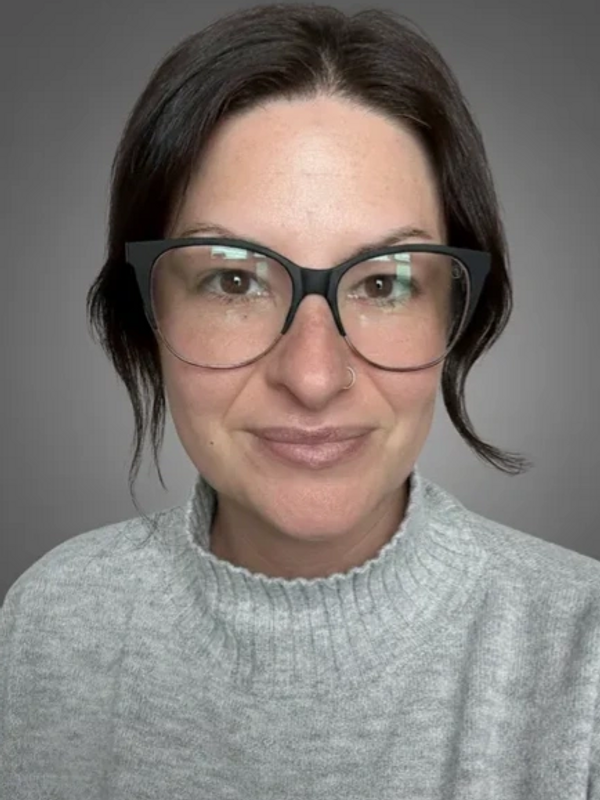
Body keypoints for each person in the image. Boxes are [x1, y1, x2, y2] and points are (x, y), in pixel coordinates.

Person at [1, 4, 600, 798]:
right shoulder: (50, 623)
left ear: (456, 315)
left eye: (385, 283)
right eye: (233, 279)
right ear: (146, 313)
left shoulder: (581, 655)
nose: (313, 376)